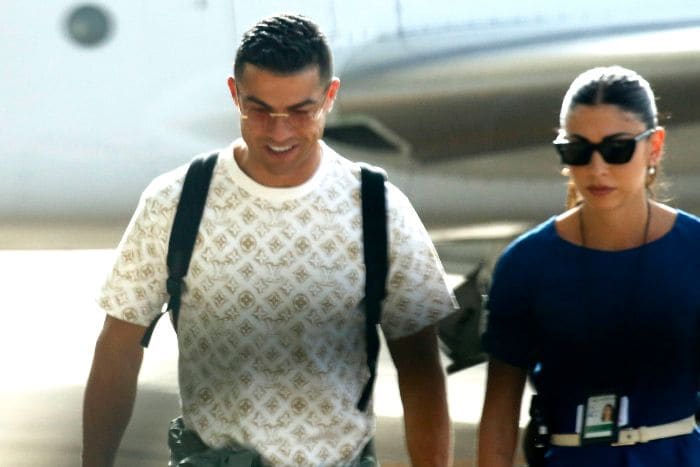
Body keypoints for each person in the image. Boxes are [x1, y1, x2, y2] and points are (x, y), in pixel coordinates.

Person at [82, 13, 456, 467]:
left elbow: (421, 371)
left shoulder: (379, 207)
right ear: (234, 95)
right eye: (259, 110)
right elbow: (117, 347)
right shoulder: (175, 202)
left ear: (330, 97)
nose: (280, 131)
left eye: (302, 111)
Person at [478, 65, 700, 467]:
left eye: (617, 149)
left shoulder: (694, 250)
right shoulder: (526, 264)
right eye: (578, 150)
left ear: (655, 146)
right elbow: (499, 414)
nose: (597, 168)